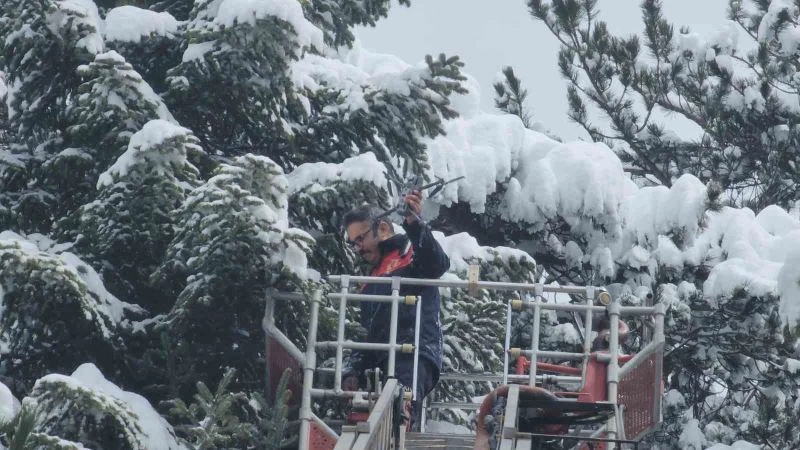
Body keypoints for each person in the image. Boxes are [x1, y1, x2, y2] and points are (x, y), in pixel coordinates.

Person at [341, 189, 450, 431]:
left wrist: (413, 221)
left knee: (401, 414)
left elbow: (437, 264)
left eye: (361, 238)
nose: (358, 248)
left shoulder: (409, 253)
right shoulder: (371, 279)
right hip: (383, 360)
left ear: (382, 228)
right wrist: (353, 369)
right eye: (353, 243)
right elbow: (367, 332)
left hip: (414, 352)